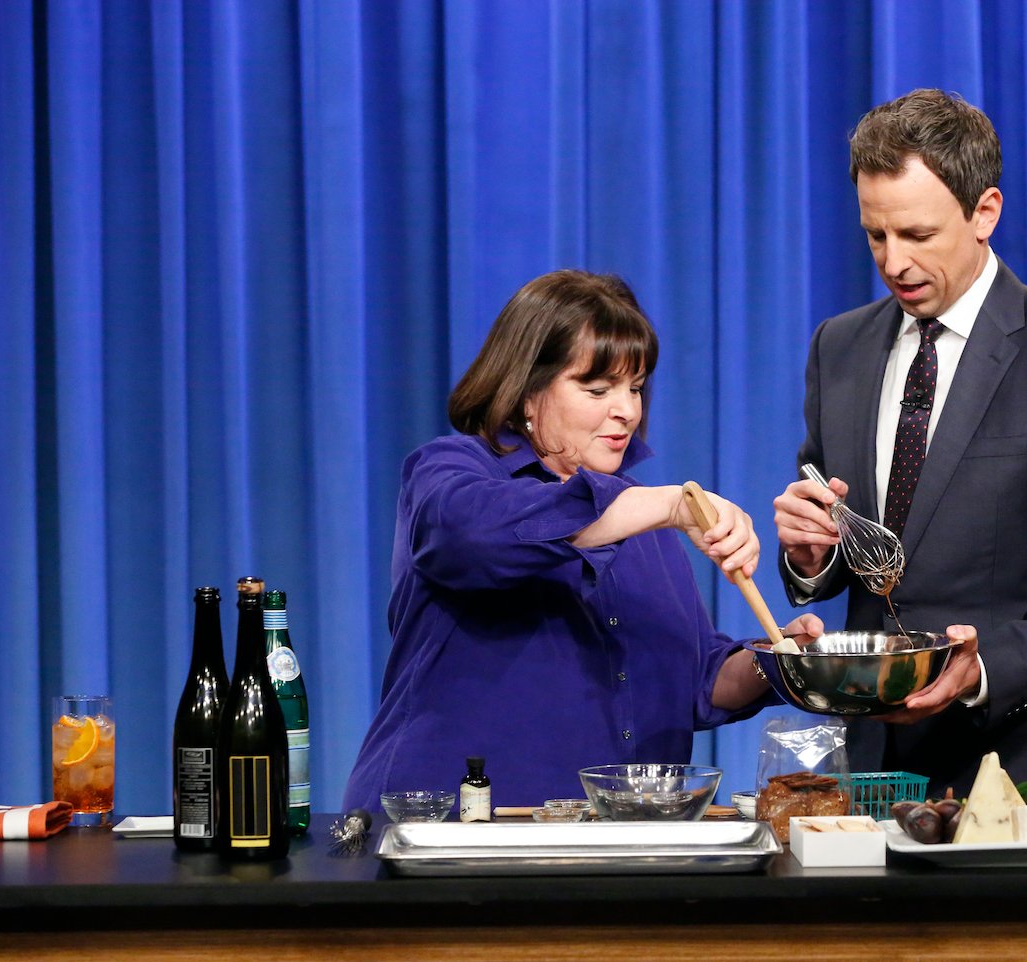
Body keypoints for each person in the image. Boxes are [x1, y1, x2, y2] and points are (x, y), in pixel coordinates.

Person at [774, 89, 1027, 799]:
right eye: (874, 236)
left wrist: (978, 670)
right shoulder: (840, 347)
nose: (893, 262)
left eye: (917, 235)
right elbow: (847, 537)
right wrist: (809, 555)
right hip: (880, 766)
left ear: (986, 213)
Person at [345, 270, 819, 813]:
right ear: (527, 390)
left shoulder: (642, 515)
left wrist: (777, 659)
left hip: (614, 846)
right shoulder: (451, 470)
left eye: (635, 388)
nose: (627, 410)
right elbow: (471, 536)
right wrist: (664, 505)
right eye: (597, 389)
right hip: (457, 833)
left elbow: (695, 680)